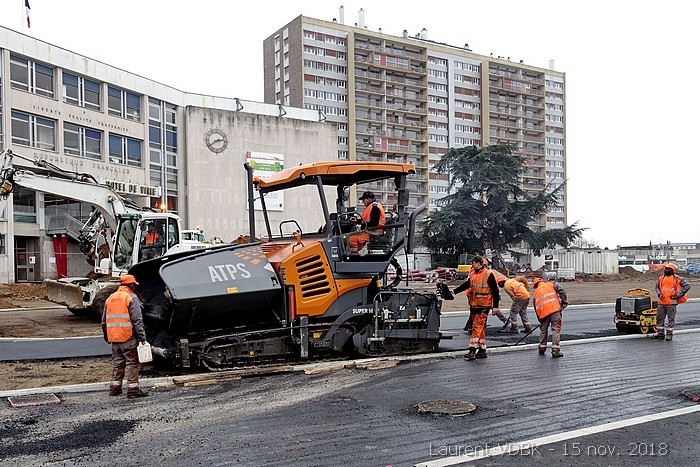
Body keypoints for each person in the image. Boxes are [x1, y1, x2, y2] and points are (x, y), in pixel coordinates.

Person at [102, 274, 148, 398]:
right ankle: (133, 390)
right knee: (132, 363)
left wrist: (106, 336)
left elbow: (104, 320)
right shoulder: (132, 298)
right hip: (128, 337)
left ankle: (115, 388)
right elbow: (137, 321)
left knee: (118, 363)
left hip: (114, 338)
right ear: (131, 285)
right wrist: (143, 338)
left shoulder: (110, 298)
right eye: (134, 285)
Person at [453, 256, 500, 361]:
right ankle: (482, 350)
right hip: (474, 304)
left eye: (474, 263)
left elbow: (495, 291)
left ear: (479, 263)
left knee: (476, 327)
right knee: (480, 328)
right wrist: (454, 291)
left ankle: (472, 349)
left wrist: (495, 306)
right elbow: (467, 284)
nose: (472, 265)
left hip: (484, 305)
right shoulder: (473, 274)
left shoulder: (488, 274)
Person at [651, 263, 691, 341]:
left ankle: (669, 334)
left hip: (671, 302)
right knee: (659, 318)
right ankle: (660, 333)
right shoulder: (661, 278)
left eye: (667, 269)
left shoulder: (677, 278)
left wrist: (677, 295)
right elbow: (657, 287)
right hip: (661, 302)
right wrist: (659, 294)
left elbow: (687, 286)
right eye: (665, 268)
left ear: (672, 270)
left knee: (670, 319)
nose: (665, 270)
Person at [533, 273, 567, 358]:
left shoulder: (536, 292)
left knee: (543, 330)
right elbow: (562, 291)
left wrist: (539, 318)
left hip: (543, 314)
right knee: (556, 330)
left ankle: (542, 348)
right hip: (555, 310)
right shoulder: (552, 284)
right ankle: (555, 350)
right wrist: (564, 302)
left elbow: (535, 307)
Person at [347, 191, 385, 255]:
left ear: (369, 199)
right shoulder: (371, 206)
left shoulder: (374, 207)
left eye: (363, 200)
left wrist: (362, 226)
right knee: (355, 241)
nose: (363, 202)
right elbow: (367, 221)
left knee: (351, 239)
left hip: (374, 233)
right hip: (371, 231)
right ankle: (354, 254)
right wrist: (357, 221)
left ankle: (354, 258)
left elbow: (374, 223)